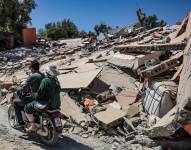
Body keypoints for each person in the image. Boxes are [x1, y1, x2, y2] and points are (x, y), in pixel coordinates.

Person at [24, 64, 61, 132]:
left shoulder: (45, 81)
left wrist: (33, 95)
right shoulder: (56, 81)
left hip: (47, 104)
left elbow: (39, 95)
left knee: (27, 107)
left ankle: (33, 126)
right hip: (56, 104)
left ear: (47, 71)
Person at [13, 60, 44, 127]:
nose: (30, 70)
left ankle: (20, 123)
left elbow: (24, 89)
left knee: (15, 102)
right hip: (43, 97)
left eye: (30, 68)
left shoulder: (32, 76)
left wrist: (17, 88)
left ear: (32, 68)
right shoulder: (43, 75)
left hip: (36, 98)